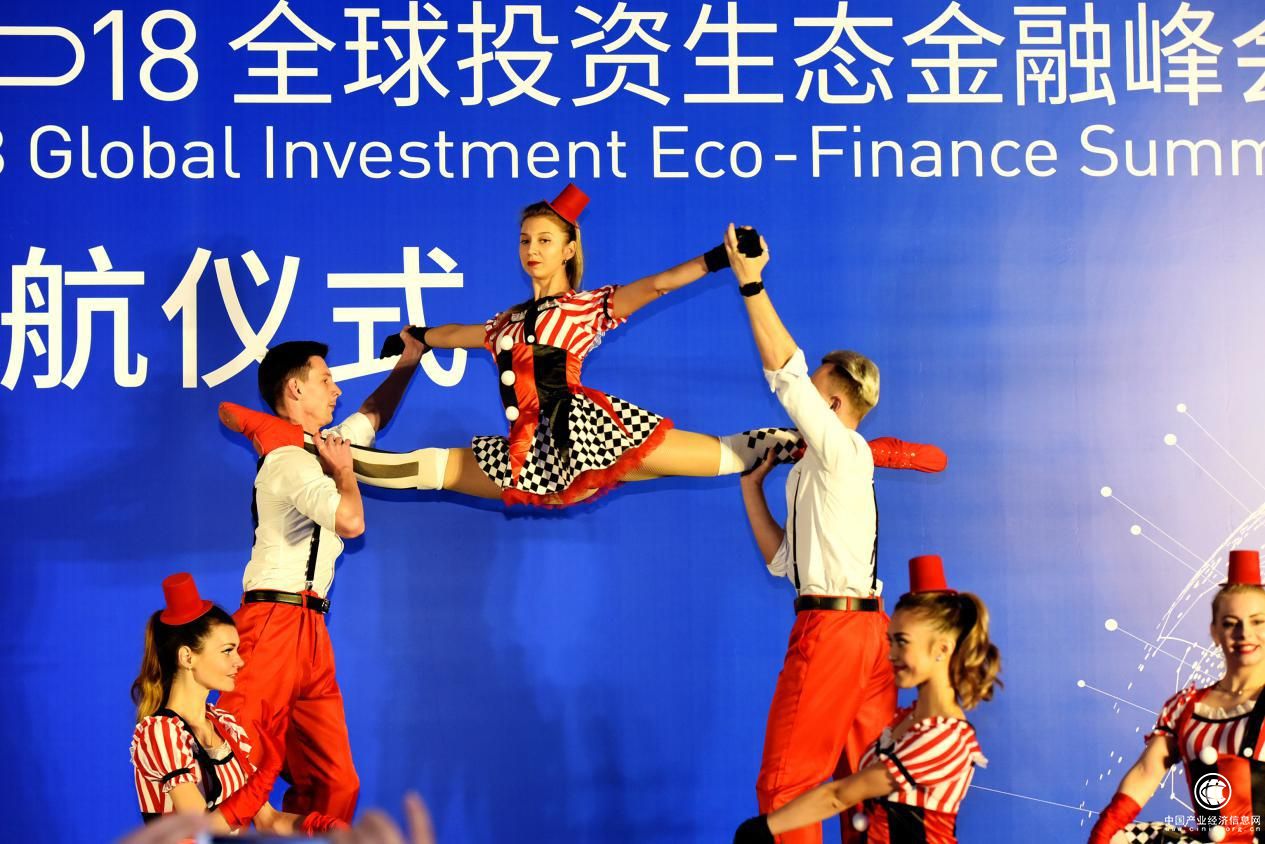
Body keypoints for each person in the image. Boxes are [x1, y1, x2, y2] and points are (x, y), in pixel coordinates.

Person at [219, 186, 946, 508]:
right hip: (529, 453)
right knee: (423, 471)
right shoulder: (506, 323)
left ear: (569, 248)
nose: (531, 250)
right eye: (524, 240)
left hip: (589, 436)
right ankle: (299, 440)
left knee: (730, 455)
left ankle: (873, 450)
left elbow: (655, 285)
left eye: (544, 240)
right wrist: (416, 339)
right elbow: (458, 336)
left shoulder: (583, 310)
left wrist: (719, 260)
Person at [214, 331, 427, 823]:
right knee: (236, 764)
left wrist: (409, 360)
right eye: (326, 380)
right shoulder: (289, 460)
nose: (337, 390)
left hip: (310, 631)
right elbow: (351, 522)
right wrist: (344, 473)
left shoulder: (320, 447)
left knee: (335, 783)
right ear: (295, 389)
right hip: (271, 623)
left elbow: (373, 414)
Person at [734, 556, 1000, 844]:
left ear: (942, 649)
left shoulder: (946, 739)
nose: (891, 654)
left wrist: (763, 828)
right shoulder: (906, 721)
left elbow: (839, 796)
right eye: (890, 641)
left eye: (902, 642)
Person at [129, 572, 345, 836]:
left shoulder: (226, 727)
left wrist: (321, 828)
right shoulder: (159, 733)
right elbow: (202, 832)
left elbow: (268, 820)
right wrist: (262, 780)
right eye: (227, 651)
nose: (239, 662)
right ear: (187, 657)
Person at [1089, 549, 1265, 844]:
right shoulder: (1184, 708)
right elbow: (1146, 772)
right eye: (1230, 623)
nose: (1244, 633)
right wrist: (1102, 835)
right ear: (1214, 632)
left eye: (1257, 621)